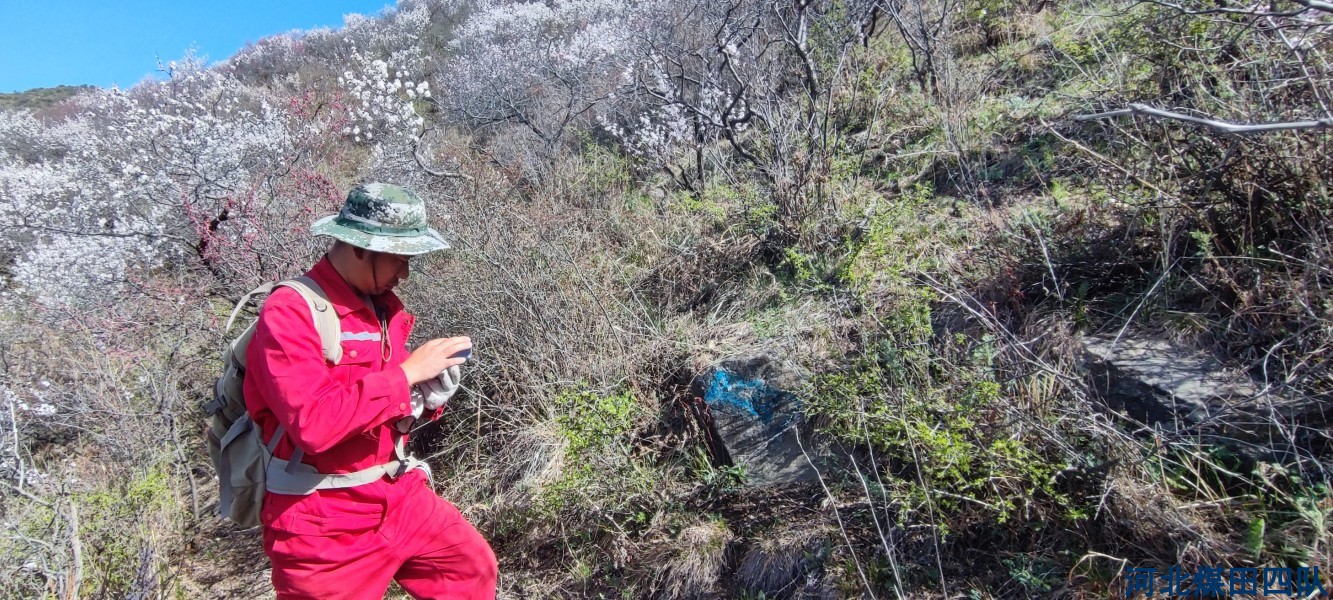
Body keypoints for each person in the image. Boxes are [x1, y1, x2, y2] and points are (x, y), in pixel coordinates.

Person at [244, 182, 498, 599]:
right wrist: (406, 376)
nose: (405, 274)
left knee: (469, 570)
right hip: (322, 521)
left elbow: (374, 409)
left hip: (396, 494)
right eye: (400, 259)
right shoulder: (290, 311)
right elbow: (313, 425)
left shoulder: (383, 311)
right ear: (360, 247)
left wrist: (423, 399)